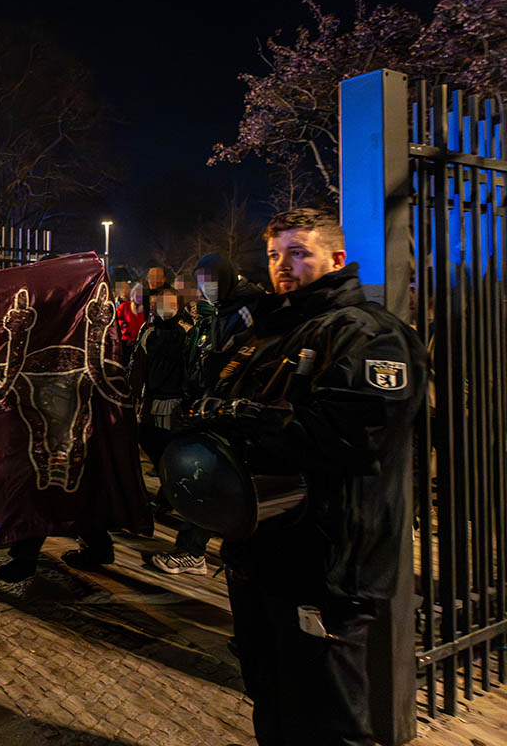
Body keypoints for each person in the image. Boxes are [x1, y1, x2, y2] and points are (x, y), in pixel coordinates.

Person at [196, 209, 425, 745]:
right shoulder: (269, 333)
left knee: (330, 718)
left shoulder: (369, 335)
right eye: (276, 254)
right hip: (263, 552)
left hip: (327, 560)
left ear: (336, 258)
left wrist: (248, 416)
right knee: (272, 698)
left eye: (298, 252)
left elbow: (356, 434)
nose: (283, 265)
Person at [149, 253, 263, 576]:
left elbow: (239, 359)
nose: (205, 289)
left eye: (209, 281)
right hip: (216, 404)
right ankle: (196, 547)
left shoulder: (244, 310)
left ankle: (192, 550)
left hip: (235, 411)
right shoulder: (223, 311)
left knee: (209, 477)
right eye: (201, 283)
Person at [129, 287, 186, 466]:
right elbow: (139, 370)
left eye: (172, 304)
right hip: (153, 403)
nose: (167, 308)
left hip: (178, 403)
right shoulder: (148, 334)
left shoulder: (187, 333)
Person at [116, 282, 145, 362]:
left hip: (141, 343)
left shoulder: (146, 309)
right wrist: (125, 329)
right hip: (126, 342)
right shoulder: (124, 307)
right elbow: (117, 320)